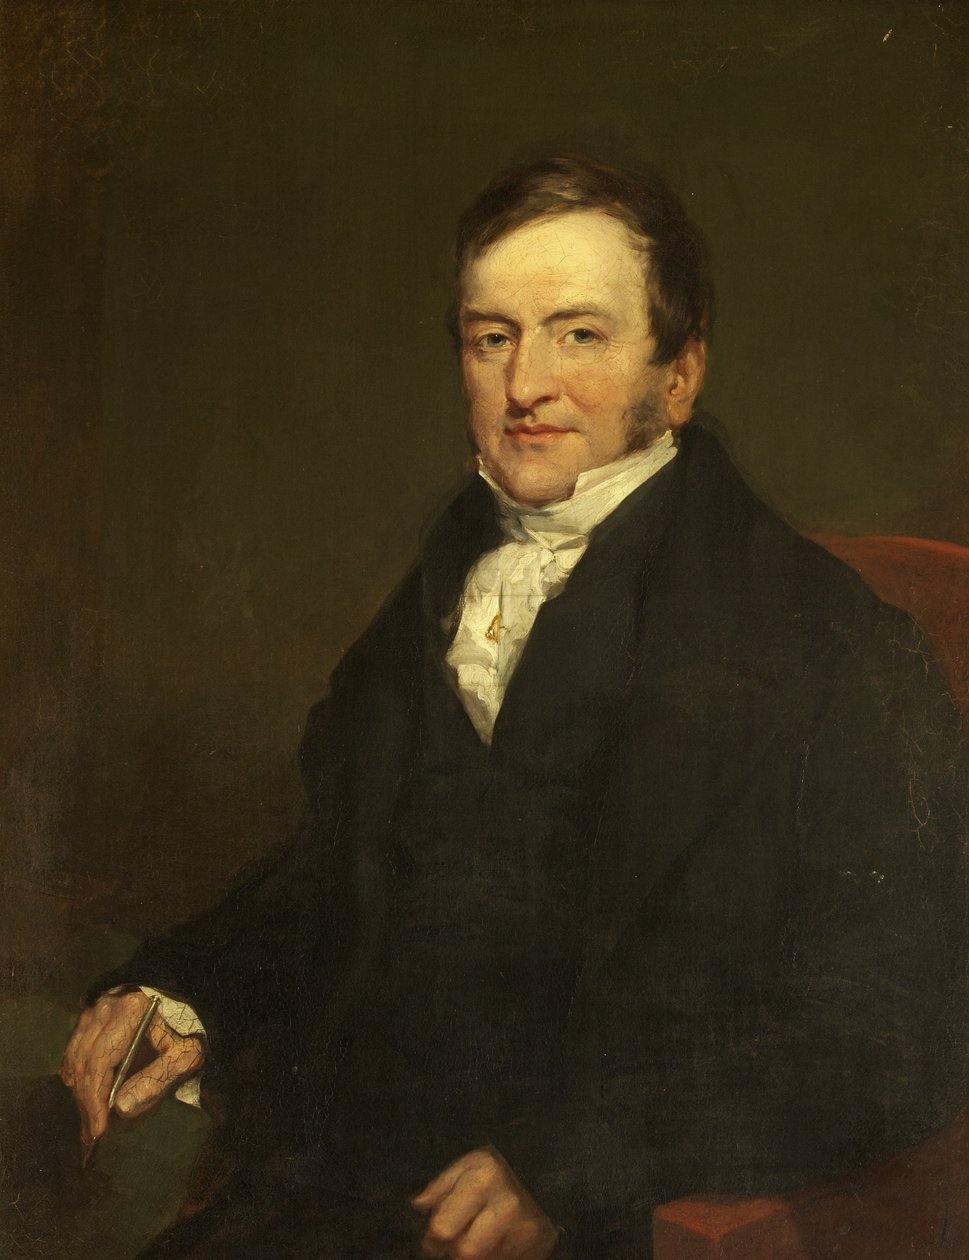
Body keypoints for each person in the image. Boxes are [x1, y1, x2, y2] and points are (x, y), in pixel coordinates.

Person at [60, 154, 969, 1259]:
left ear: (678, 375)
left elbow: (897, 1035)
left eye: (578, 334)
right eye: (492, 338)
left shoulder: (831, 650)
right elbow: (347, 869)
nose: (524, 384)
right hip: (338, 1189)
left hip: (595, 1222)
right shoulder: (445, 581)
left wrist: (573, 1161)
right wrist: (187, 989)